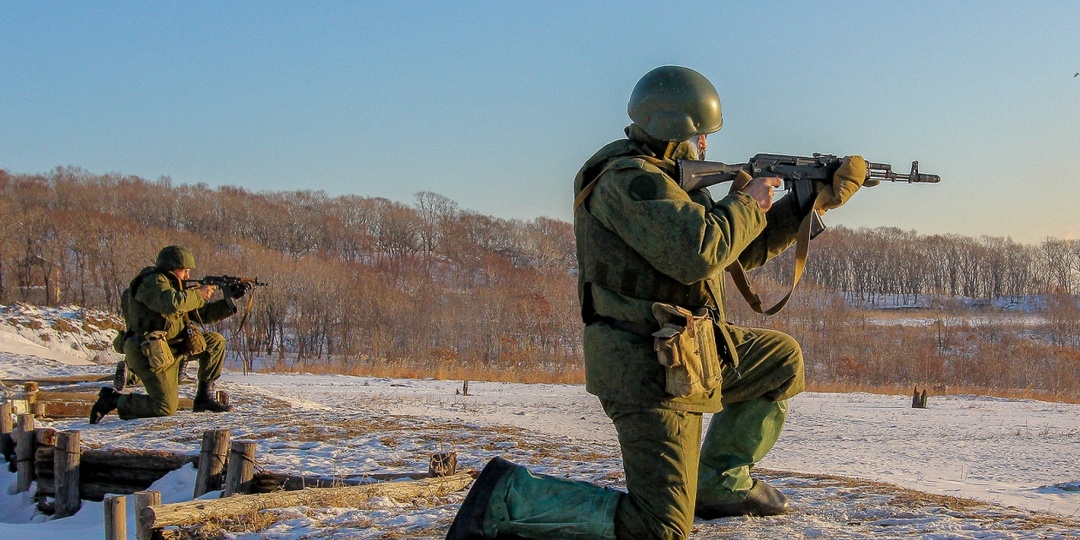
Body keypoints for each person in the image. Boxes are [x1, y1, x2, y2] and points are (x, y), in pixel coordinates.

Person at [445, 66, 869, 539]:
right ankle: (507, 497)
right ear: (675, 130)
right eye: (700, 135)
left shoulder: (670, 180)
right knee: (660, 529)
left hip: (693, 352)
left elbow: (736, 250)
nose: (705, 145)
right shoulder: (628, 181)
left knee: (780, 360)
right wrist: (748, 200)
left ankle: (720, 483)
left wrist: (811, 205)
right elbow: (697, 253)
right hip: (648, 369)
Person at [90, 245, 247, 423]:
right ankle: (113, 399)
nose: (187, 276)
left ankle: (204, 398)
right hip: (151, 353)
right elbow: (170, 303)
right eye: (184, 270)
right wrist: (198, 294)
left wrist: (230, 300)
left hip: (175, 346)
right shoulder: (151, 282)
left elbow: (204, 314)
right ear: (170, 268)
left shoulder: (177, 287)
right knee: (164, 407)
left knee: (215, 342)